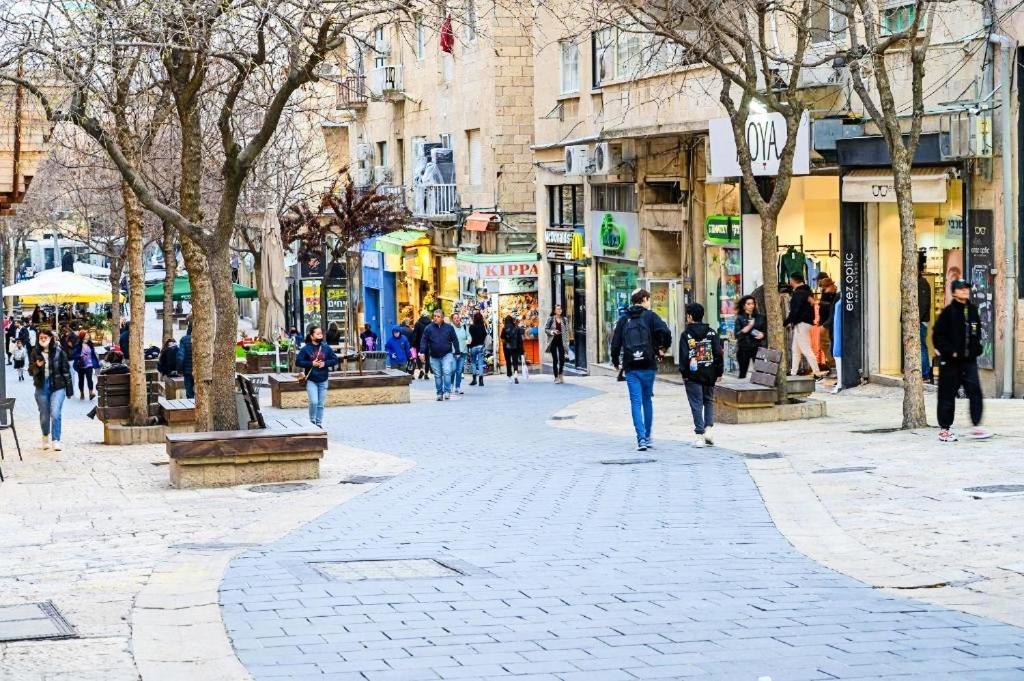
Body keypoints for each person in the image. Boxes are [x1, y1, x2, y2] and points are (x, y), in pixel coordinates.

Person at [610, 289, 672, 452]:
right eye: (648, 299)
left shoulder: (624, 319)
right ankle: (649, 436)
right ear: (644, 299)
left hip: (631, 366)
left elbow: (615, 343)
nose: (649, 302)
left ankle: (641, 439)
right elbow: (665, 331)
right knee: (647, 400)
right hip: (648, 364)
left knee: (635, 402)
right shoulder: (651, 316)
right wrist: (662, 348)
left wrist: (616, 361)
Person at [933, 279, 990, 442]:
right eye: (961, 289)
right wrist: (952, 352)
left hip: (969, 361)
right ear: (954, 292)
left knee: (975, 391)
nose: (965, 291)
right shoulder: (948, 312)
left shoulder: (972, 310)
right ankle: (944, 430)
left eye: (967, 288)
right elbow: (937, 336)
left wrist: (976, 348)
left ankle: (977, 425)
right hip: (951, 362)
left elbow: (977, 331)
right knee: (947, 395)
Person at [680, 303, 724, 448]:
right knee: (708, 401)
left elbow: (684, 355)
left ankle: (699, 435)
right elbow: (718, 353)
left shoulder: (686, 335)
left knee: (696, 404)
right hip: (709, 373)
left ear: (690, 316)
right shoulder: (711, 333)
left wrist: (684, 373)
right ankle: (709, 430)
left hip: (692, 375)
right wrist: (719, 372)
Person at [28, 328, 73, 451]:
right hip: (41, 386)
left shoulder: (59, 352)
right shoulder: (34, 352)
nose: (43, 340)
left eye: (45, 338)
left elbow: (66, 372)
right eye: (40, 338)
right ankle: (45, 437)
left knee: (55, 413)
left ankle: (56, 440)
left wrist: (69, 391)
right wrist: (37, 366)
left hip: (58, 386)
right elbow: (30, 372)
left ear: (50, 338)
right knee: (44, 415)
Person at [784, 272, 826, 381]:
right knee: (796, 349)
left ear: (793, 280)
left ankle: (817, 373)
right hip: (805, 323)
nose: (789, 282)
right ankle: (793, 372)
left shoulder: (798, 293)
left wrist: (786, 322)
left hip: (801, 323)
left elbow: (795, 310)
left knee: (806, 349)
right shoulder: (807, 292)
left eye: (790, 280)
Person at [295, 325, 339, 426]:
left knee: (320, 404)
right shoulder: (306, 349)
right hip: (311, 379)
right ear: (311, 336)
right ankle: (312, 421)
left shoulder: (326, 347)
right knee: (314, 402)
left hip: (323, 379)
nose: (320, 335)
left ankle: (318, 423)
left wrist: (325, 363)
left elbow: (335, 359)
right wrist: (311, 363)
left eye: (321, 334)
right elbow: (298, 362)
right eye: (318, 334)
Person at [419, 309, 459, 401]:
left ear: (442, 318)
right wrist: (421, 352)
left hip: (447, 354)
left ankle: (447, 391)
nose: (435, 318)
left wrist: (457, 351)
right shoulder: (429, 328)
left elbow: (455, 340)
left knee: (447, 372)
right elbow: (423, 340)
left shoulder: (449, 328)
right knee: (437, 375)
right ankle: (439, 393)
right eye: (434, 316)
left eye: (438, 316)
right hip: (434, 356)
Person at [733, 295, 766, 379]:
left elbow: (765, 331)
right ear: (744, 306)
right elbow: (737, 335)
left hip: (757, 347)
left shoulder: (760, 317)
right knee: (743, 372)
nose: (751, 305)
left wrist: (762, 334)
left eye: (752, 303)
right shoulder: (739, 318)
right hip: (743, 348)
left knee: (760, 371)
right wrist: (748, 327)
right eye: (748, 304)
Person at [917, 258, 934, 382]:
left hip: (919, 321)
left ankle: (925, 374)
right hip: (919, 320)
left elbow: (923, 304)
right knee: (919, 346)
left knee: (921, 346)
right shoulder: (919, 282)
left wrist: (917, 320)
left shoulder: (921, 283)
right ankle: (923, 373)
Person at [71, 332, 100, 400]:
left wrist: (95, 362)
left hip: (89, 364)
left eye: (88, 335)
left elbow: (93, 354)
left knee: (89, 379)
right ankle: (82, 393)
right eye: (86, 335)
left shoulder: (90, 344)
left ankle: (91, 393)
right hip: (80, 364)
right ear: (83, 337)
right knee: (81, 380)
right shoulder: (78, 345)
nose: (88, 336)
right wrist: (80, 355)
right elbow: (74, 354)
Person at [545, 305, 568, 384]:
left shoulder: (564, 319)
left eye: (560, 309)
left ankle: (560, 374)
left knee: (562, 359)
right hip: (553, 342)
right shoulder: (550, 319)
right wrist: (552, 332)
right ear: (554, 311)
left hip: (561, 342)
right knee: (555, 360)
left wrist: (567, 341)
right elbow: (546, 329)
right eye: (558, 309)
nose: (560, 310)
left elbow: (566, 331)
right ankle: (556, 377)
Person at [500, 315, 525, 384]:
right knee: (515, 362)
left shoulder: (504, 329)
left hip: (507, 348)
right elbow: (520, 340)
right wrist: (522, 350)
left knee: (508, 362)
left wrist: (506, 341)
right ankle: (516, 375)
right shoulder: (517, 328)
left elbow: (502, 338)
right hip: (515, 348)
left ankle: (509, 377)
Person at [451, 312, 469, 395]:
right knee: (453, 369)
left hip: (463, 352)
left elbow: (468, 336)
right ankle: (450, 386)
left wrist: (469, 339)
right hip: (453, 352)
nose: (457, 319)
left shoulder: (464, 326)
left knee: (459, 371)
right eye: (455, 318)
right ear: (452, 320)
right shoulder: (451, 328)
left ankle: (458, 387)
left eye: (457, 318)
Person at [467, 312, 488, 387]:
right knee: (480, 363)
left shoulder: (471, 327)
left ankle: (474, 379)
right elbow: (485, 335)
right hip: (481, 346)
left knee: (473, 362)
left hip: (473, 347)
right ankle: (481, 380)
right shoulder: (483, 326)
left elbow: (469, 337)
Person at [412, 312, 432, 380]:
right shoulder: (431, 323)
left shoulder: (417, 323)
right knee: (428, 358)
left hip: (419, 344)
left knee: (418, 357)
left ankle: (421, 370)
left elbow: (415, 335)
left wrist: (413, 344)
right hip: (428, 344)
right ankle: (426, 373)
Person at [177, 324, 195, 399]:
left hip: (188, 372)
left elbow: (180, 357)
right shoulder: (205, 338)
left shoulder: (184, 339)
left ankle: (191, 409)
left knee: (189, 395)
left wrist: (179, 370)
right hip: (202, 371)